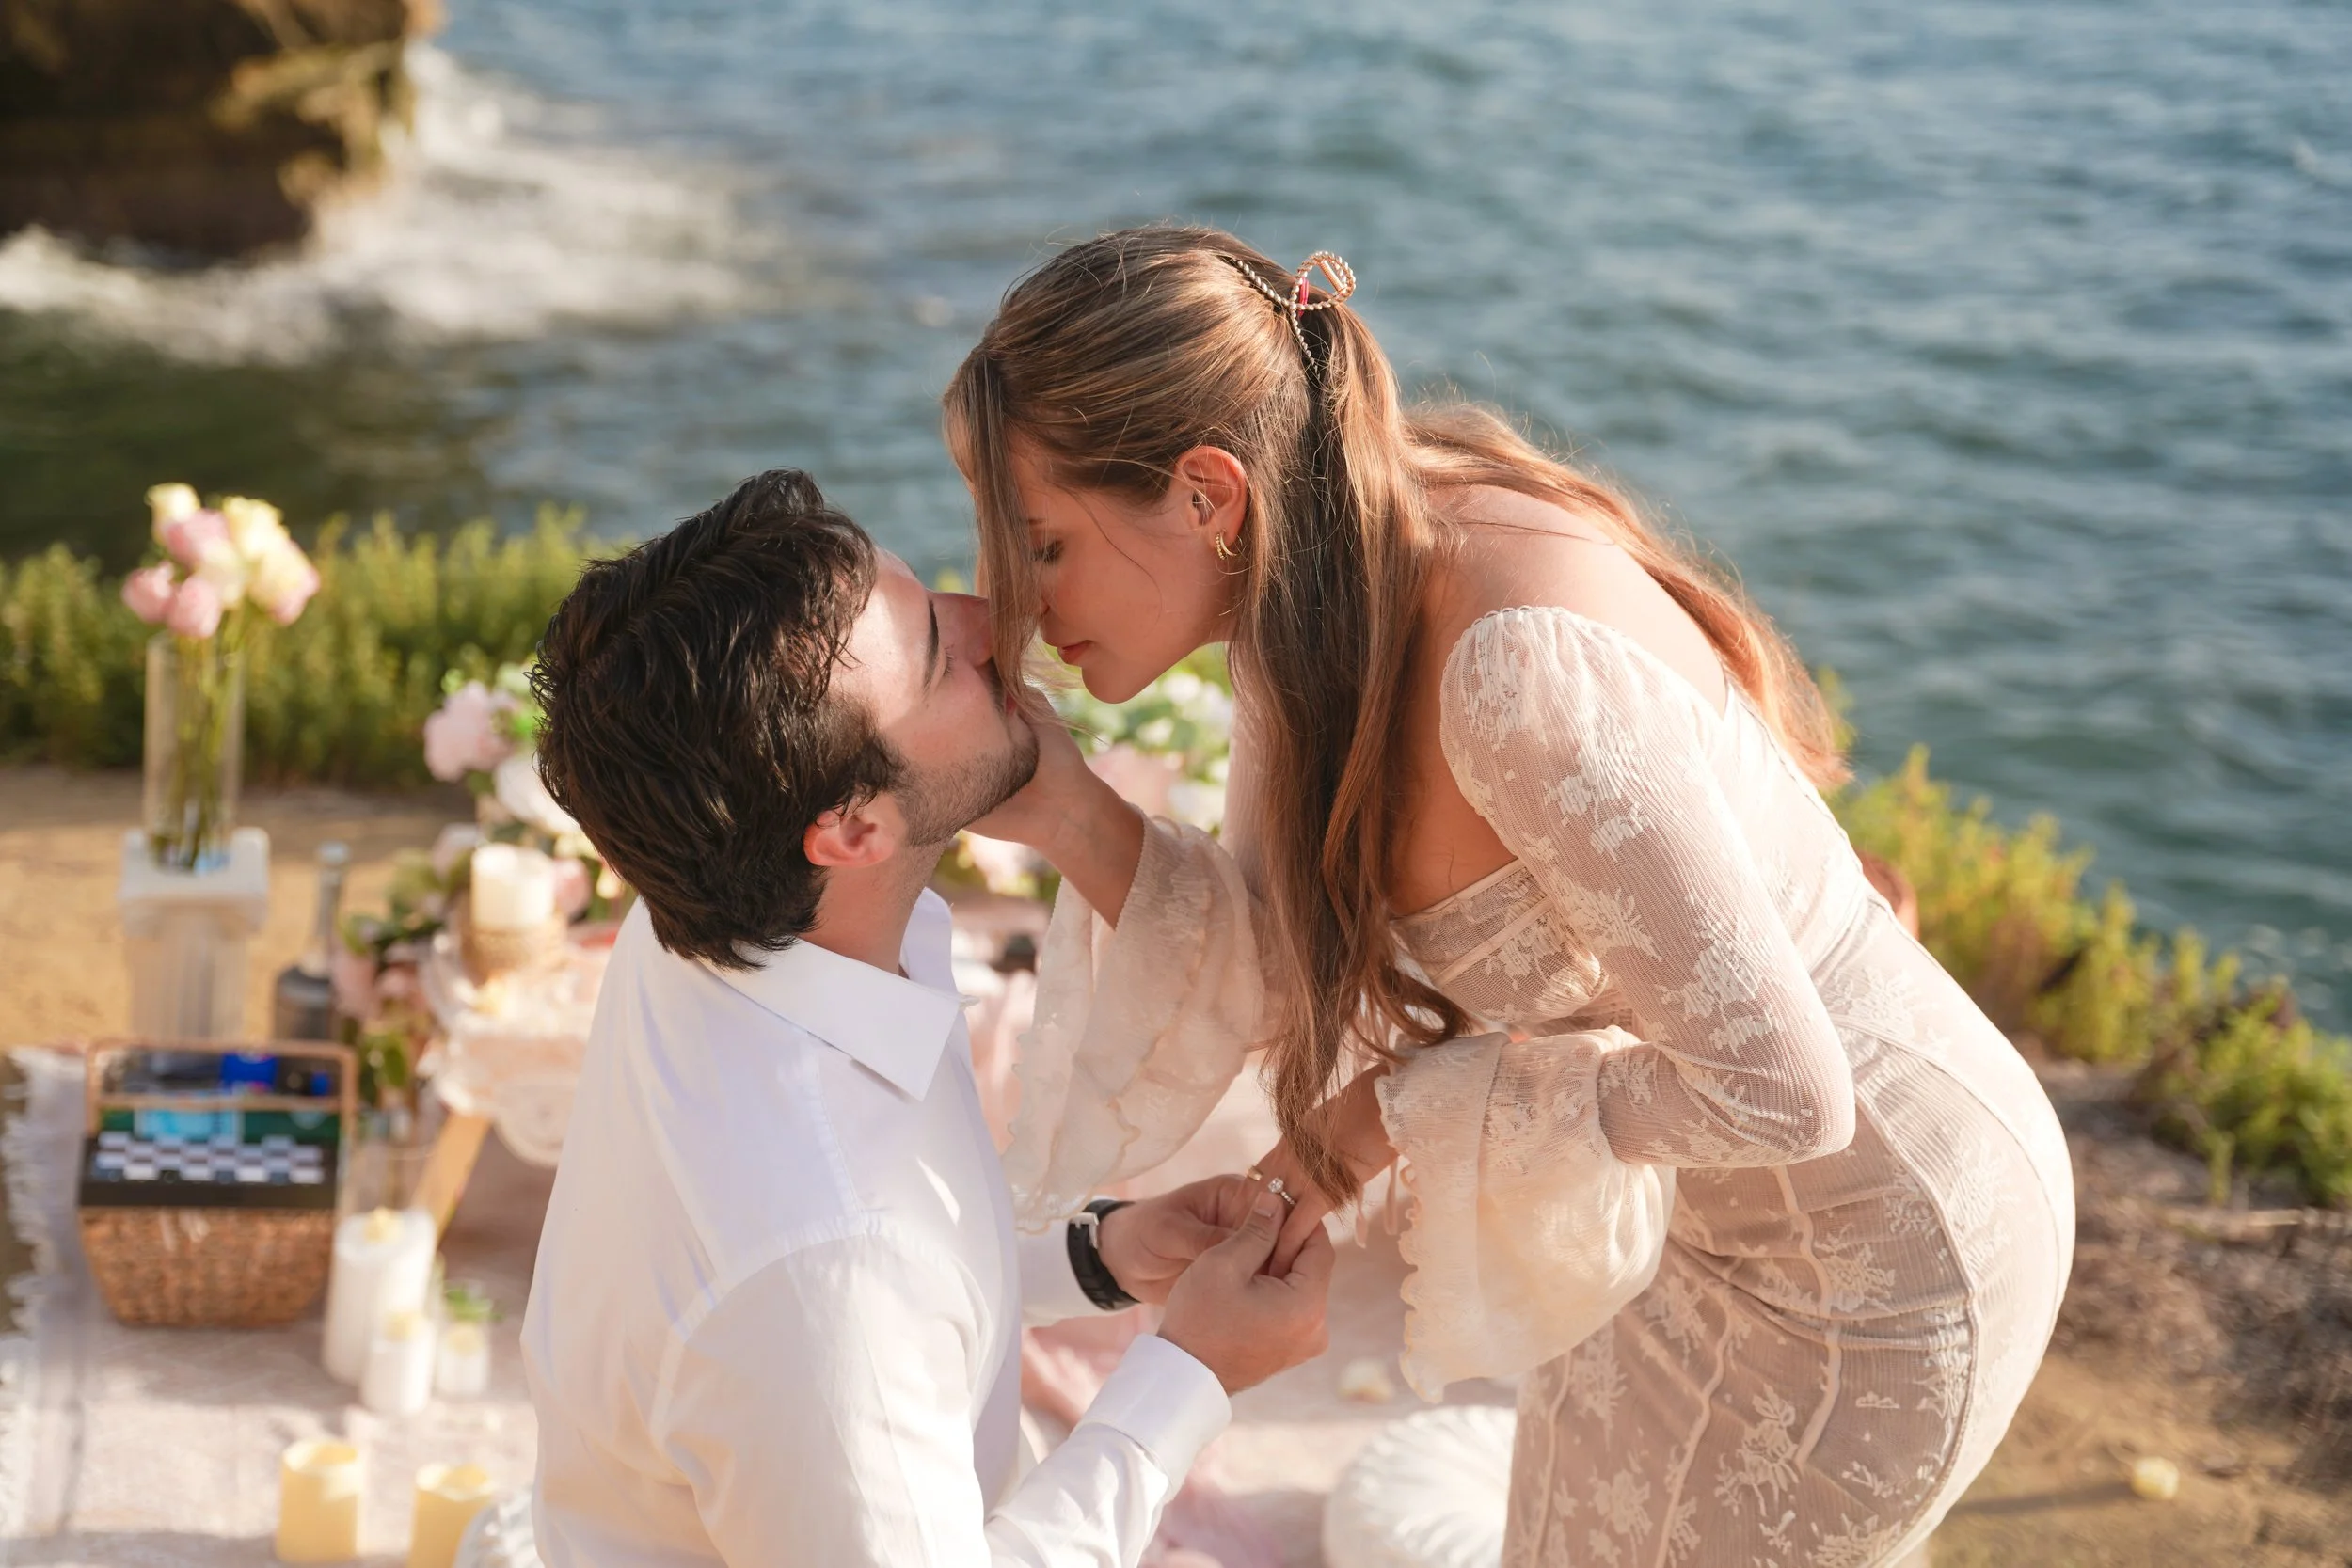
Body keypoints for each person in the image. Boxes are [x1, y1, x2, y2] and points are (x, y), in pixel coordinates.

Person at [950, 228, 2075, 1568]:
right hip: (1683, 1217)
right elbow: (1269, 954)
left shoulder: (1514, 680)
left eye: (1043, 545)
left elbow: (1782, 1092)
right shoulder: (1312, 591)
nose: (1014, 606)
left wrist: (1387, 1112)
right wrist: (1065, 805)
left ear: (1208, 492)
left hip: (1880, 1252)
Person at [520, 467, 1333, 1567]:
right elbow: (851, 1274)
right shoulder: (824, 1278)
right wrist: (1189, 1371)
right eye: (941, 657)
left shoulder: (704, 931)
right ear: (854, 828)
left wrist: (1099, 1253)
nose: (995, 618)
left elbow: (905, 1262)